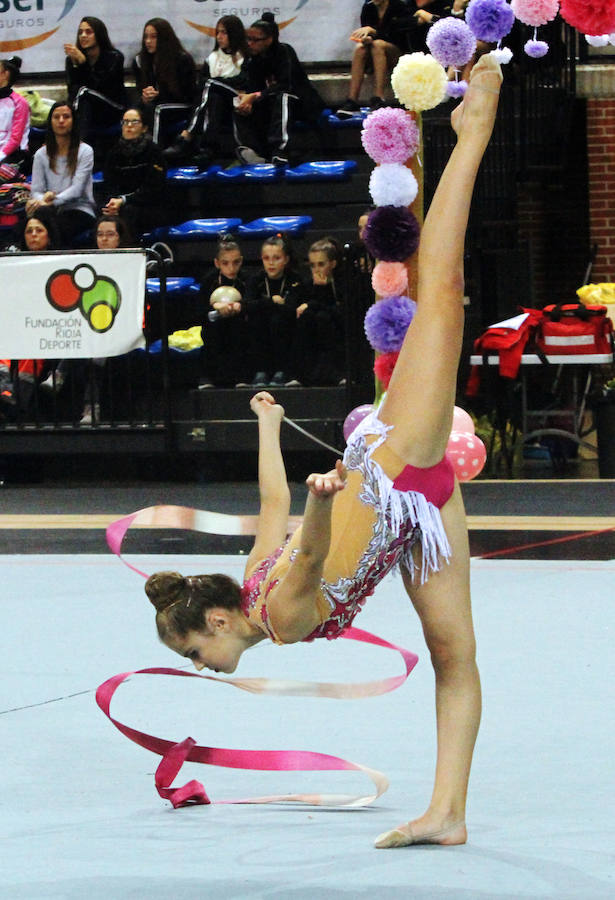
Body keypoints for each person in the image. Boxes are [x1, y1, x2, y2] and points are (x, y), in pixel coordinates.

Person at [144, 54, 503, 848]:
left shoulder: (271, 603)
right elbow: (281, 515)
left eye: (194, 650)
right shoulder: (259, 596)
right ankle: (446, 813)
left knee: (436, 291)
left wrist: (302, 476)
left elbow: (300, 542)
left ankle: (469, 131)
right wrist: (284, 455)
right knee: (453, 656)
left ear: (215, 618)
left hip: (397, 461)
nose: (200, 665)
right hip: (418, 515)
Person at [233, 12, 324, 167]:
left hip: (299, 103)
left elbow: (286, 85)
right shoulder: (251, 59)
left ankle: (280, 149)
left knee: (283, 97)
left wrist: (254, 96)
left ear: (269, 39)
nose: (250, 44)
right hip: (269, 103)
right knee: (238, 102)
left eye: (255, 40)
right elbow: (247, 84)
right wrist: (246, 99)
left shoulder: (284, 51)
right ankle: (252, 149)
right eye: (248, 39)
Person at [0, 207, 62, 418]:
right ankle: (5, 387)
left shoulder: (61, 263)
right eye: (29, 231)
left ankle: (18, 405)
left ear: (49, 235)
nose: (33, 235)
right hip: (16, 323)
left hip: (48, 325)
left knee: (31, 347)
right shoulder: (14, 264)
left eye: (39, 230)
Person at [164, 15, 248, 167]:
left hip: (237, 101)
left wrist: (218, 82)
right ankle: (207, 149)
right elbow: (201, 85)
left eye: (224, 33)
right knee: (213, 96)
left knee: (210, 84)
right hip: (216, 104)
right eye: (218, 32)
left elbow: (242, 82)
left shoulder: (245, 56)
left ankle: (187, 135)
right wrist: (219, 83)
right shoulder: (213, 57)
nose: (219, 37)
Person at [27, 100, 96, 247]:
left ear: (73, 121)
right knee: (22, 226)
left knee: (52, 224)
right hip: (49, 209)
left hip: (79, 210)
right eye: (56, 117)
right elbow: (36, 190)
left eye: (66, 117)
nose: (61, 121)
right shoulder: (41, 154)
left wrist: (50, 200)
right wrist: (41, 201)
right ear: (50, 121)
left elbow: (77, 190)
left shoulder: (85, 151)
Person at [243, 233, 301, 386]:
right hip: (260, 326)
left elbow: (291, 308)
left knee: (277, 321)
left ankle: (282, 371)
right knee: (257, 320)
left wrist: (266, 305)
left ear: (286, 259)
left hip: (285, 326)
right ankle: (260, 371)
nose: (271, 263)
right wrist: (272, 301)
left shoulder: (294, 279)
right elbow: (248, 305)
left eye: (276, 258)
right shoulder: (256, 280)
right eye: (266, 258)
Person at [336, 0, 412, 118]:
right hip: (375, 51)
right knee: (360, 48)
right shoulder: (368, 7)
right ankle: (352, 100)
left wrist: (374, 32)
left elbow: (397, 33)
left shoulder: (400, 6)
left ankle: (379, 97)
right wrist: (366, 39)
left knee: (378, 45)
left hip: (398, 52)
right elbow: (368, 33)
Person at [286, 237, 345, 386]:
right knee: (308, 319)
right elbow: (294, 305)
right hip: (313, 329)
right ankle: (300, 375)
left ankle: (336, 373)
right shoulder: (306, 284)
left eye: (321, 264)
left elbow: (336, 309)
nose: (316, 269)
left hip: (338, 325)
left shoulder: (343, 283)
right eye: (312, 265)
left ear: (333, 264)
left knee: (322, 318)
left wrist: (317, 296)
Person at [64, 16, 126, 155]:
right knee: (74, 99)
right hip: (87, 109)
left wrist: (83, 64)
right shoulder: (72, 60)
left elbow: (100, 86)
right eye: (80, 32)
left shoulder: (114, 57)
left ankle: (77, 149)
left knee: (84, 92)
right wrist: (76, 64)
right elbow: (72, 90)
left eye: (89, 32)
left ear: (99, 34)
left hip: (112, 107)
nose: (83, 36)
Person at [132, 18, 197, 146]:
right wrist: (145, 97)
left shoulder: (181, 59)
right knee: (133, 112)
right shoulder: (141, 60)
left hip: (180, 105)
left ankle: (154, 155)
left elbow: (188, 94)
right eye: (146, 37)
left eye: (154, 37)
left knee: (158, 110)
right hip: (155, 104)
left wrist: (159, 94)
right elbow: (140, 89)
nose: (148, 41)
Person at [102, 107, 166, 235]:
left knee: (129, 213)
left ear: (144, 128)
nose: (129, 126)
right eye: (125, 122)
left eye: (134, 122)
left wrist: (124, 200)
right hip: (119, 205)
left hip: (147, 206)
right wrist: (113, 203)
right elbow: (109, 183)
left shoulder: (153, 151)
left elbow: (153, 188)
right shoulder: (113, 152)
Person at [199, 233, 249, 389]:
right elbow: (199, 308)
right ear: (217, 263)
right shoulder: (209, 280)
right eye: (225, 263)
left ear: (241, 261)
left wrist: (241, 306)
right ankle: (209, 377)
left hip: (240, 322)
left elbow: (253, 302)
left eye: (235, 263)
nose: (231, 268)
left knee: (239, 330)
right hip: (214, 322)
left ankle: (241, 376)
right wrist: (215, 307)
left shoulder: (246, 280)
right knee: (211, 332)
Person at [0, 56, 30, 170]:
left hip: (15, 155)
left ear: (5, 75)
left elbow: (15, 140)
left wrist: (1, 156)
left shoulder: (19, 102)